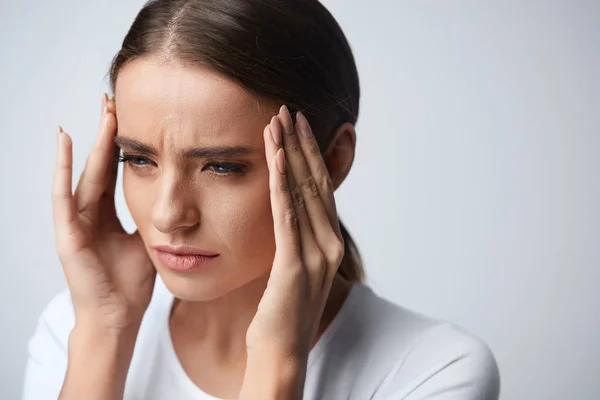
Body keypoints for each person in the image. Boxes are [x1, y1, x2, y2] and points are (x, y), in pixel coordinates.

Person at [23, 0, 501, 399]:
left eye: (222, 167)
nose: (168, 215)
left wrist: (277, 362)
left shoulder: (432, 371)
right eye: (139, 160)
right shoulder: (74, 329)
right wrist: (106, 330)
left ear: (332, 162)